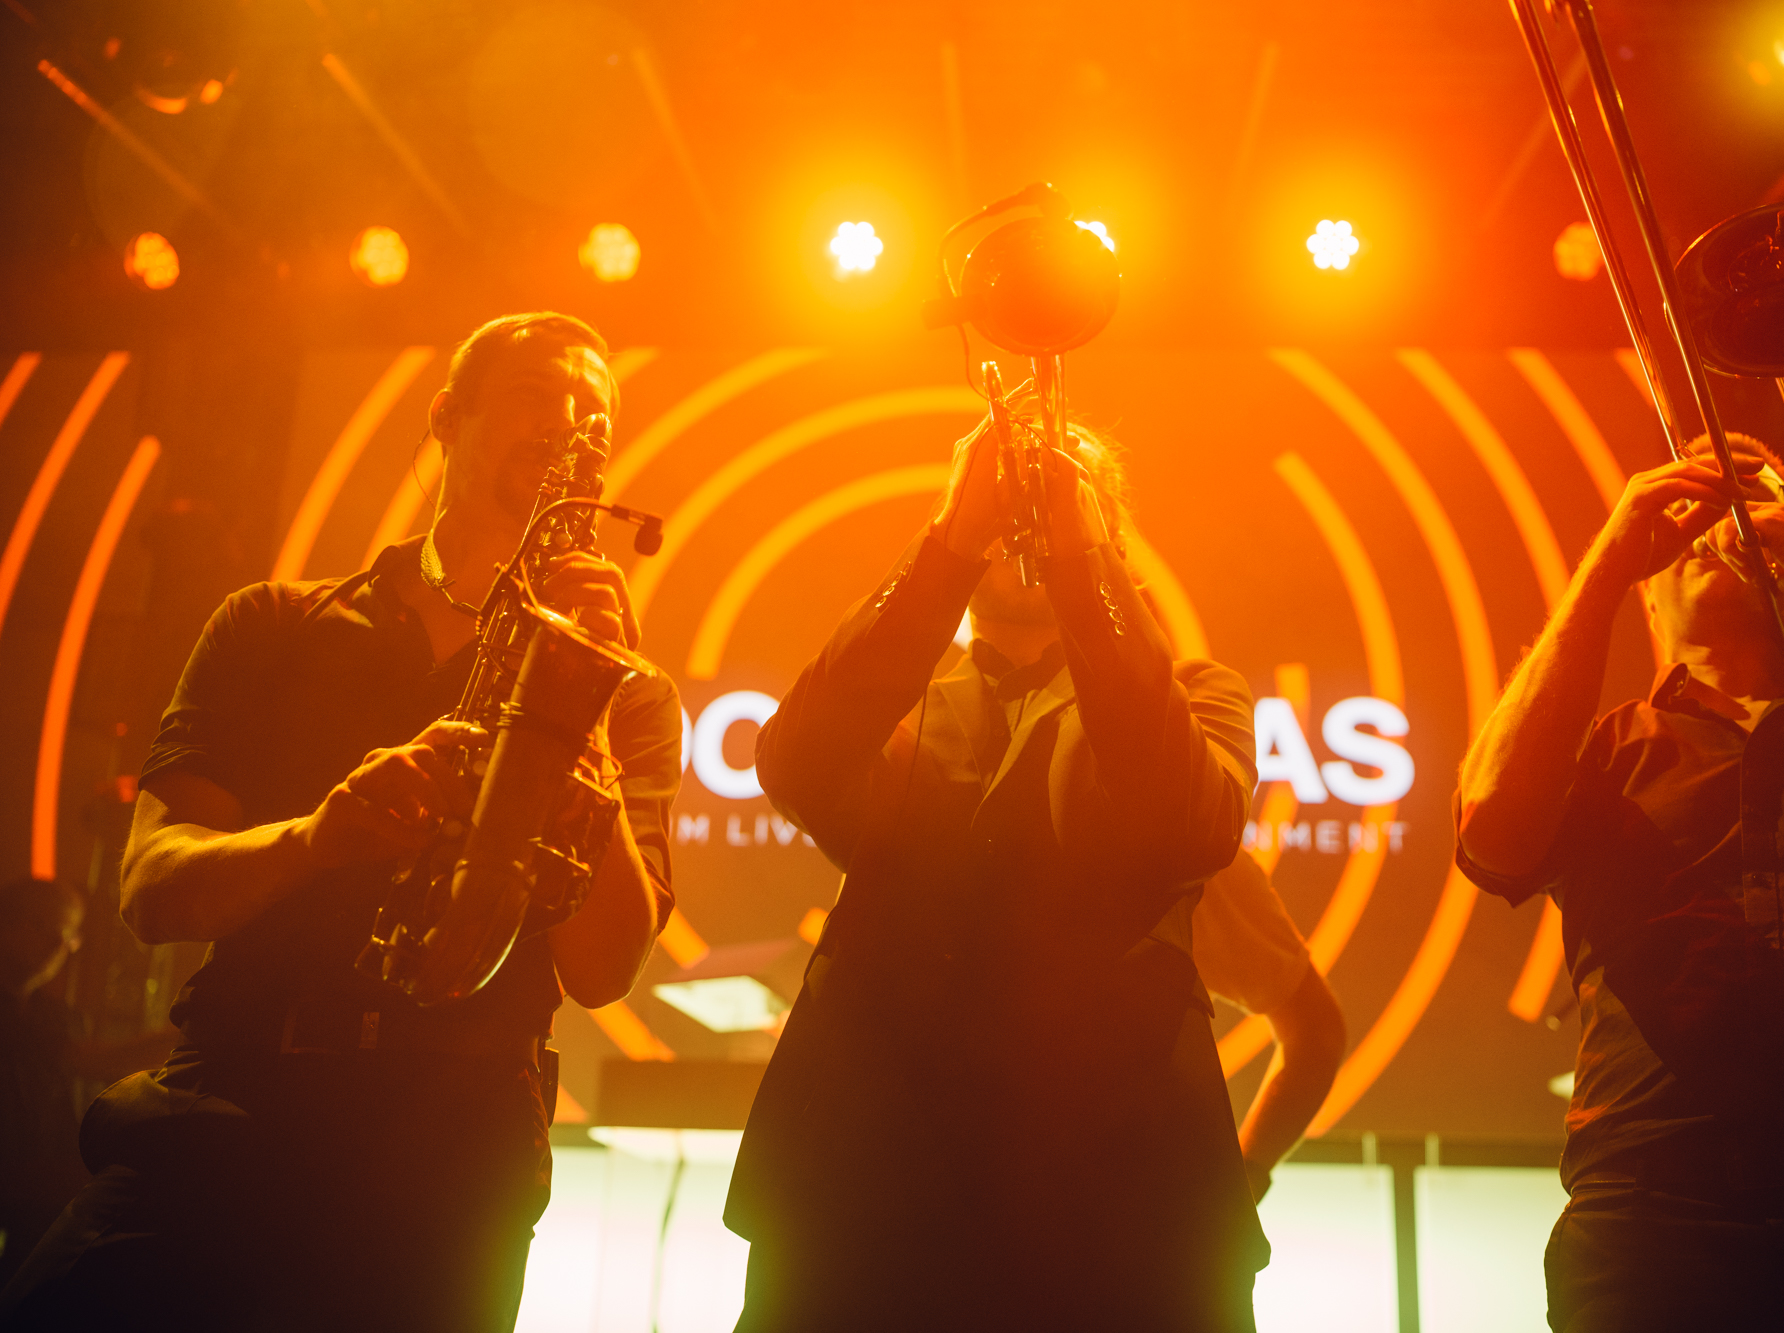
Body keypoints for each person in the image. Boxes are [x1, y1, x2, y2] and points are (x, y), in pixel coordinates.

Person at [0, 313, 681, 1333]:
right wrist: (320, 836)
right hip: (228, 1107)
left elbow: (604, 969)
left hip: (449, 1157)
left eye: (591, 413)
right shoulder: (269, 624)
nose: (565, 424)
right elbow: (151, 888)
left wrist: (578, 702)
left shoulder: (633, 696)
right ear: (445, 417)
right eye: (535, 395)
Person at [726, 414, 1269, 1330]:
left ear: (1113, 545)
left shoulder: (1195, 695)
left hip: (1122, 1201)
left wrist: (1081, 564)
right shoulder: (897, 692)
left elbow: (1189, 828)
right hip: (866, 1187)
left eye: (1060, 498)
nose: (1031, 517)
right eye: (1016, 497)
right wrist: (950, 537)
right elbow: (795, 764)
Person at [1455, 435, 1784, 1331]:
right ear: (1651, 592)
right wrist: (1608, 560)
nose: (1719, 526)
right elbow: (1492, 829)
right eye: (1692, 518)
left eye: (1751, 510)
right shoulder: (1601, 756)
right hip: (1656, 1213)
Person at [1192, 849, 1346, 1202]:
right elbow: (1317, 1034)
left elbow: (1315, 1034)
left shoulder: (1200, 857)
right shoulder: (1195, 851)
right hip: (1144, 1198)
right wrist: (1237, 1193)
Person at [0, 879, 87, 1293]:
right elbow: (86, 1058)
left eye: (68, 934)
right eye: (44, 926)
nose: (58, 944)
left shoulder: (52, 1016)